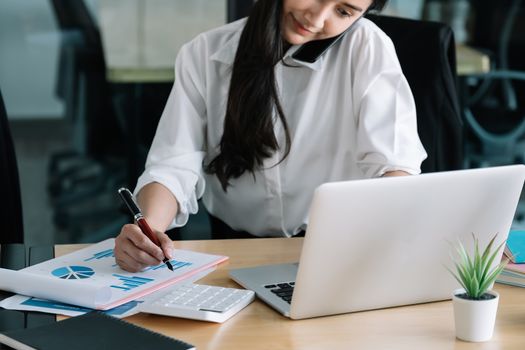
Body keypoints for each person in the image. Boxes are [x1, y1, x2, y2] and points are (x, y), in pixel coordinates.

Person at [115, 0, 427, 272]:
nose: (317, 19)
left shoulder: (366, 46)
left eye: (344, 11)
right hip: (233, 251)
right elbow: (173, 167)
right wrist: (149, 229)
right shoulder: (204, 54)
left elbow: (394, 164)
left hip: (339, 250)